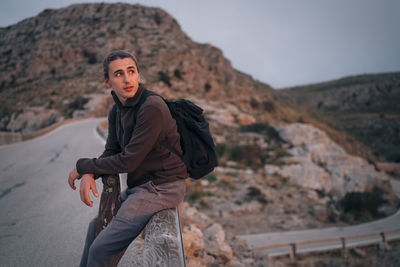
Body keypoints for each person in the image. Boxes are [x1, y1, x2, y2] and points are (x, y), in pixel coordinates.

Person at [68, 50, 187, 267]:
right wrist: (89, 172)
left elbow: (128, 162)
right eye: (118, 74)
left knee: (101, 249)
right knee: (95, 228)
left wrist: (83, 165)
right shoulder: (116, 111)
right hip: (141, 186)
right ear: (108, 82)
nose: (126, 79)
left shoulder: (152, 107)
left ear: (138, 75)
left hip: (163, 187)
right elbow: (111, 152)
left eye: (131, 71)